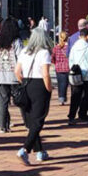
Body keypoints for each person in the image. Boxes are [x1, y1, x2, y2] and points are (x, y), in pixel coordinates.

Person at [14, 28, 53, 164]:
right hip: (39, 86)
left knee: (31, 120)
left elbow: (17, 71)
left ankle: (40, 151)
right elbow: (45, 74)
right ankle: (25, 149)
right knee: (38, 120)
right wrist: (49, 88)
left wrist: (23, 82)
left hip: (26, 83)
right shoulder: (44, 52)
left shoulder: (24, 51)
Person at [0, 18, 23, 133]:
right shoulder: (16, 41)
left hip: (0, 75)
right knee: (20, 100)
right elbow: (20, 57)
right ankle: (28, 121)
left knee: (3, 102)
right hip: (14, 75)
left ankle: (3, 126)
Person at [67, 28, 88, 124]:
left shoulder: (74, 48)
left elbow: (70, 60)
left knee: (75, 96)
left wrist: (73, 70)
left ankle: (71, 116)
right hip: (86, 75)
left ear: (79, 36)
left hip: (76, 75)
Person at [51, 31, 70, 106]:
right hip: (67, 67)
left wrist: (56, 63)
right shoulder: (69, 47)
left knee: (60, 84)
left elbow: (52, 58)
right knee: (66, 84)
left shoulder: (56, 47)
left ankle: (61, 99)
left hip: (58, 68)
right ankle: (64, 97)